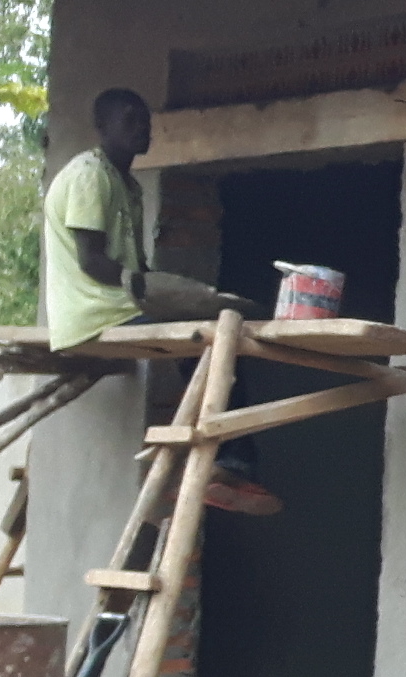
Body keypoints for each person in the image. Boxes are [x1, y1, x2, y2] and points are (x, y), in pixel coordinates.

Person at [41, 84, 274, 511]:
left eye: (145, 120)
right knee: (211, 338)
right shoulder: (89, 175)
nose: (141, 127)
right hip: (95, 314)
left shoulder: (126, 184)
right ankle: (232, 462)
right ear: (102, 126)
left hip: (118, 306)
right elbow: (92, 261)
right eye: (129, 119)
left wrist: (184, 293)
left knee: (209, 336)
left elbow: (136, 268)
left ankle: (224, 465)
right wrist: (152, 288)